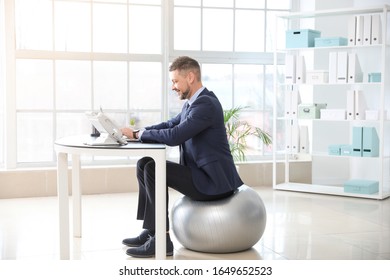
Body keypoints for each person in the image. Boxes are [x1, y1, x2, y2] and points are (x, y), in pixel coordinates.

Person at [120, 56, 243, 258]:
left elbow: (175, 136)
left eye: (176, 81)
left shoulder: (206, 105)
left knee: (153, 168)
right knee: (144, 163)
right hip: (200, 175)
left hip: (214, 183)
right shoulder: (192, 104)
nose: (173, 87)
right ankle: (152, 231)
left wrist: (137, 135)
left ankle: (162, 240)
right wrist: (139, 131)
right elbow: (170, 125)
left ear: (191, 77)